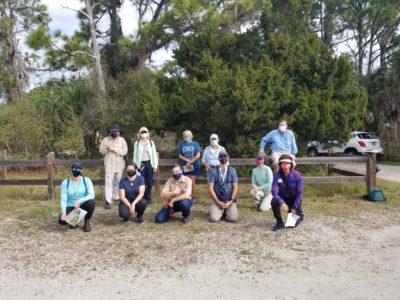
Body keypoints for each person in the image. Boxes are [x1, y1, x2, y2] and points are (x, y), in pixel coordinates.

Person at [58, 162, 95, 232]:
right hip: (70, 206)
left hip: (82, 206)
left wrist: (80, 201)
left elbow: (92, 195)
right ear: (71, 170)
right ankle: (74, 221)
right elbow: (63, 199)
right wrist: (63, 213)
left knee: (91, 202)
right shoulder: (66, 182)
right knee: (61, 221)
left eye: (78, 169)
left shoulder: (86, 180)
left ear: (81, 171)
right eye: (74, 168)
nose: (76, 170)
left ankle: (86, 221)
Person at [270, 154, 304, 231]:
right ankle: (279, 222)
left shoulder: (297, 175)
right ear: (280, 164)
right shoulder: (277, 174)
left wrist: (294, 208)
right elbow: (274, 191)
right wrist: (281, 202)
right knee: (274, 201)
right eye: (283, 163)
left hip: (294, 198)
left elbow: (299, 193)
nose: (285, 165)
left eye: (287, 163)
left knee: (290, 224)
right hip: (283, 197)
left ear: (291, 164)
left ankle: (300, 215)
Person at [99, 124, 128, 209]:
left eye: (117, 131)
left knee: (118, 181)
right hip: (109, 164)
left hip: (119, 164)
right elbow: (101, 151)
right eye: (114, 131)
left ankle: (116, 197)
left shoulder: (122, 140)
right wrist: (107, 148)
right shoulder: (105, 140)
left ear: (119, 132)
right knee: (108, 182)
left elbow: (125, 151)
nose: (116, 133)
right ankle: (108, 201)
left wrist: (114, 149)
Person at [208, 150, 239, 222]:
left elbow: (235, 187)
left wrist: (231, 201)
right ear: (218, 158)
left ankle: (225, 210)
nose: (223, 158)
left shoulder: (232, 170)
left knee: (234, 219)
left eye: (225, 156)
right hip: (218, 199)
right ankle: (218, 209)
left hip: (229, 199)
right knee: (213, 219)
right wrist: (218, 201)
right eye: (221, 157)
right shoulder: (213, 171)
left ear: (228, 158)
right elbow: (210, 188)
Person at [133, 127, 158, 202]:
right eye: (142, 132)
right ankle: (141, 197)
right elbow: (135, 155)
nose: (144, 133)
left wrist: (155, 165)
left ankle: (148, 198)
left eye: (145, 132)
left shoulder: (151, 142)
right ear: (139, 134)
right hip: (141, 165)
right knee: (141, 181)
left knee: (150, 182)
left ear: (148, 133)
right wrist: (136, 166)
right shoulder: (137, 143)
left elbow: (154, 154)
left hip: (149, 163)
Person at [178, 130, 201, 201]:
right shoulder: (182, 145)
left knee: (192, 180)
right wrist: (187, 160)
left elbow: (198, 155)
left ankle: (194, 196)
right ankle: (187, 195)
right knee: (186, 180)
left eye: (188, 135)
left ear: (191, 136)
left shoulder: (195, 144)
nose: (186, 137)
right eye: (185, 136)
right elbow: (180, 155)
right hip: (186, 165)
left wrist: (191, 161)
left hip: (195, 165)